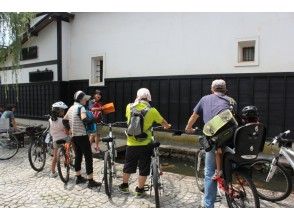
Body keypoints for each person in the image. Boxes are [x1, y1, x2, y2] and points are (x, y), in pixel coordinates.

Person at [185, 79, 236, 208]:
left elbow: (194, 116)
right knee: (226, 166)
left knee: (209, 173)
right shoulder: (232, 101)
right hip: (231, 138)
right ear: (225, 90)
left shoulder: (205, 99)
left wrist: (188, 128)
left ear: (212, 89)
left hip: (213, 137)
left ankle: (208, 206)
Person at [119, 88, 171, 197]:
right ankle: (140, 189)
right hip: (145, 144)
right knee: (144, 167)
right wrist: (167, 126)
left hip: (131, 143)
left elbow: (128, 119)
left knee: (128, 165)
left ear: (138, 96)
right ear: (148, 97)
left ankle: (124, 186)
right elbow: (164, 123)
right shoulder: (152, 110)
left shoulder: (129, 107)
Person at [63, 90, 101, 188]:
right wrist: (93, 119)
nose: (86, 101)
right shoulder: (81, 108)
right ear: (80, 99)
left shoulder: (71, 108)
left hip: (74, 136)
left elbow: (64, 120)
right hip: (83, 136)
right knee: (88, 158)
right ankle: (90, 180)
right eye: (84, 99)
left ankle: (78, 177)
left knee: (78, 156)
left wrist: (69, 129)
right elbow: (84, 119)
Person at [49, 101, 69, 178]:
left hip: (55, 140)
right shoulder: (63, 120)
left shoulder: (50, 120)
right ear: (59, 111)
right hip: (64, 138)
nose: (64, 112)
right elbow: (67, 132)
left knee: (55, 156)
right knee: (71, 141)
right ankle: (67, 160)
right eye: (63, 111)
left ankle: (53, 172)